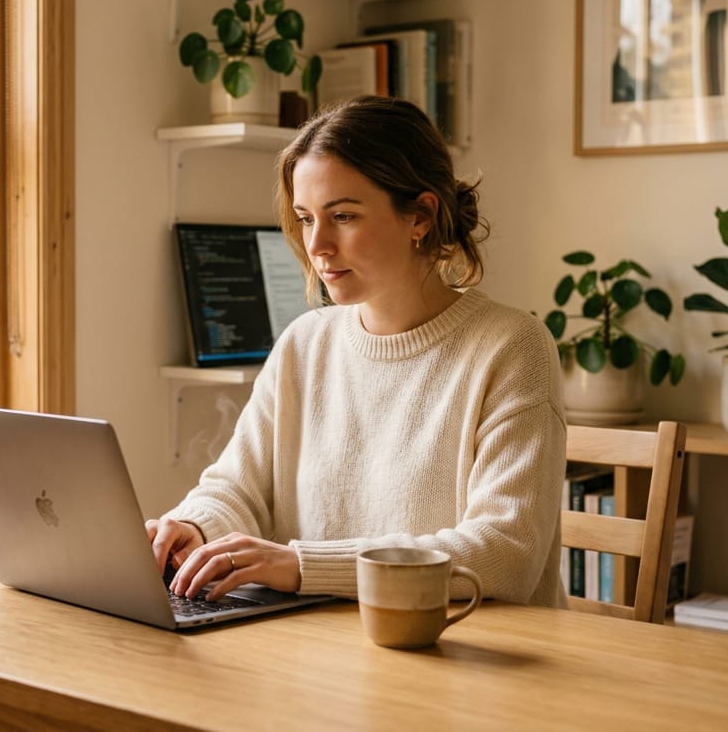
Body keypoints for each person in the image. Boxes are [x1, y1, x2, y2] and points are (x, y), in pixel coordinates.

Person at [147, 95, 568, 608]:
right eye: (305, 218)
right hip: (325, 652)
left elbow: (504, 553)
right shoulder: (305, 343)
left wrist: (303, 566)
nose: (317, 245)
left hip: (465, 659)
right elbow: (239, 487)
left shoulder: (513, 348)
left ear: (421, 215)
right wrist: (196, 527)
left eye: (342, 216)